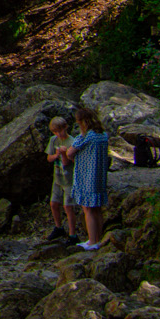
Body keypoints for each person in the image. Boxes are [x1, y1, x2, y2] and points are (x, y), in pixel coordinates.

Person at [67, 106, 111, 250]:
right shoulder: (103, 134)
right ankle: (98, 238)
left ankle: (92, 241)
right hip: (99, 176)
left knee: (88, 209)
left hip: (87, 175)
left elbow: (70, 153)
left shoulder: (86, 136)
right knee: (97, 209)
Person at [44, 115, 76, 240]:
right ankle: (59, 227)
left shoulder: (71, 142)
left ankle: (72, 234)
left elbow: (67, 163)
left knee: (68, 206)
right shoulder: (53, 140)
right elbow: (49, 158)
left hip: (68, 179)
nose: (58, 134)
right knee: (54, 203)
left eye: (59, 131)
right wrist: (56, 154)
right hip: (57, 178)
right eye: (55, 132)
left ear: (65, 127)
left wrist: (63, 154)